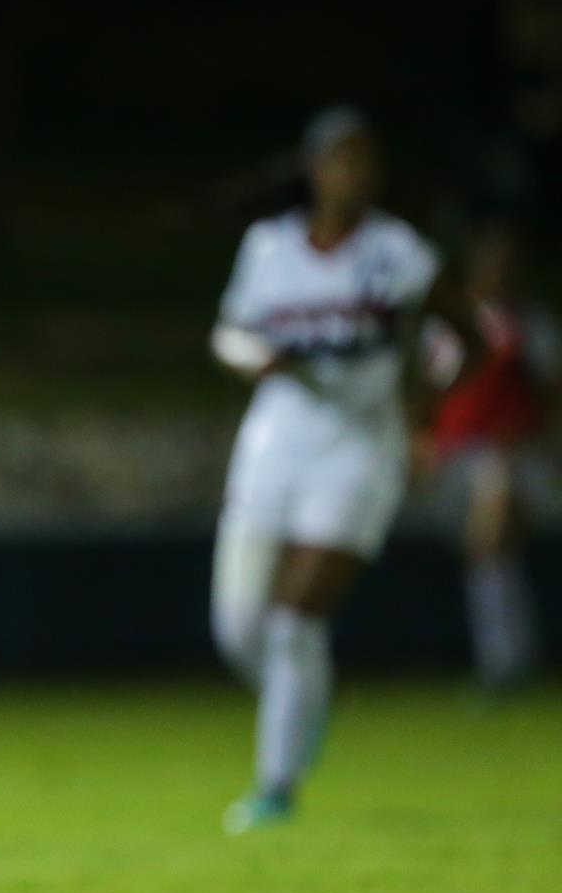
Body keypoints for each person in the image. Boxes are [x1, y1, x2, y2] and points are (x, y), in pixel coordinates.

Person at [207, 106, 479, 834]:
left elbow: (470, 337)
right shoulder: (268, 247)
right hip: (275, 439)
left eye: (365, 160)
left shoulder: (398, 252)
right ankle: (305, 708)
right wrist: (254, 358)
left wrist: (424, 409)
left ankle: (275, 784)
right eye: (339, 159)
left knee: (296, 620)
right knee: (238, 627)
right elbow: (230, 332)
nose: (352, 174)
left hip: (361, 444)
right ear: (313, 168)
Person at [419, 219, 556, 690]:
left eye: (507, 266)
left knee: (492, 541)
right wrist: (424, 447)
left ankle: (505, 661)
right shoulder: (447, 327)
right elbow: (431, 396)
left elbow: (552, 396)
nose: (499, 274)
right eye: (490, 265)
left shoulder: (530, 325)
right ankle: (508, 655)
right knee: (488, 557)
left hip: (512, 455)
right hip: (455, 457)